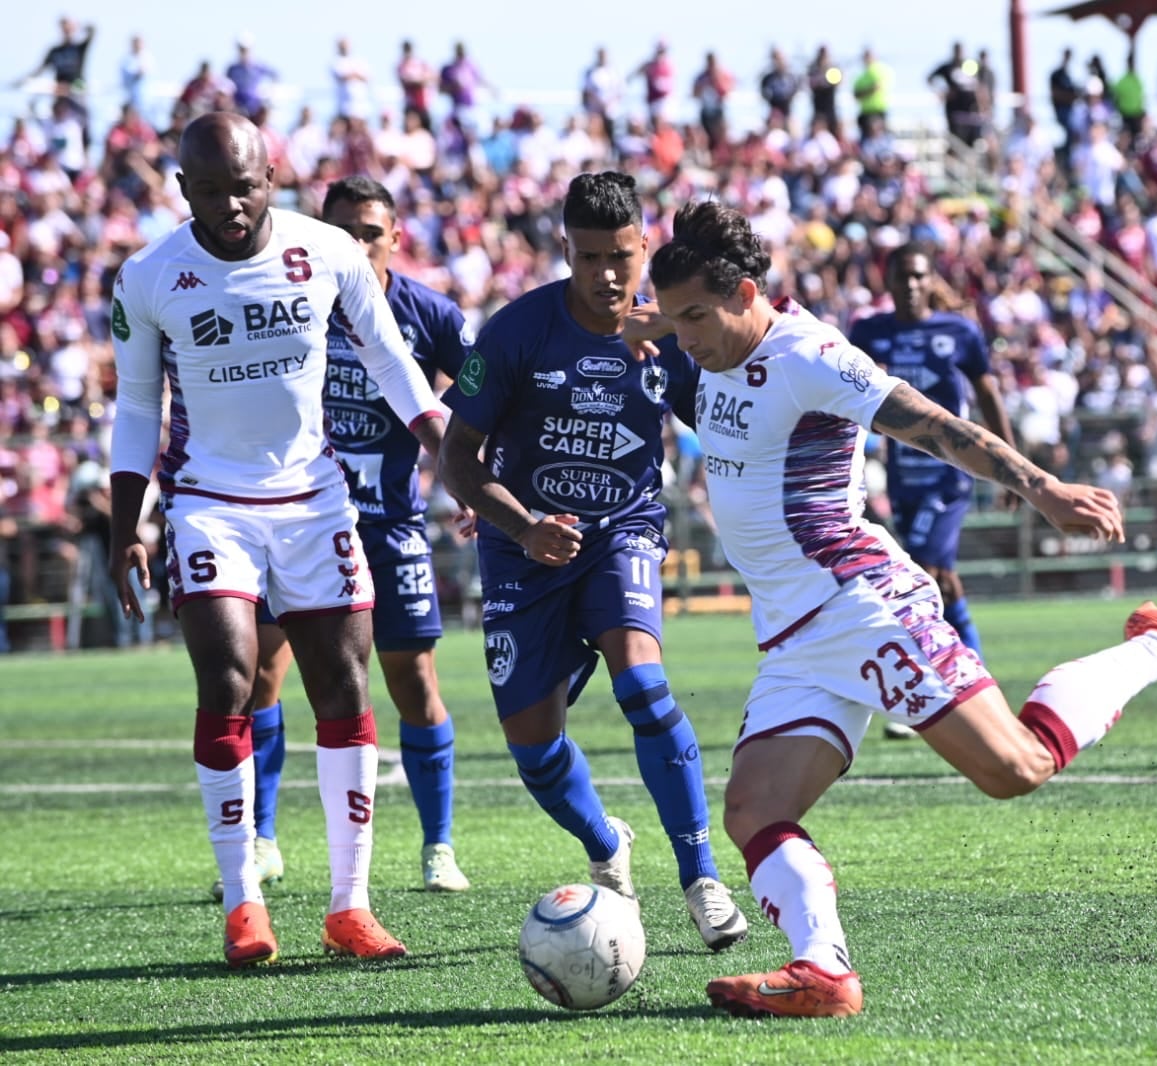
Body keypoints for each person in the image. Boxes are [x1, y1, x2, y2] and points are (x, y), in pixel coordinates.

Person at [635, 200, 1157, 1018]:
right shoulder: (711, 342)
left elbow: (933, 426)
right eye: (672, 320)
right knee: (754, 809)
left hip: (859, 604)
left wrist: (1042, 489)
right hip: (794, 633)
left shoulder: (810, 355)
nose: (682, 337)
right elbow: (649, 322)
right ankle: (823, 971)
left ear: (745, 292)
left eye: (693, 317)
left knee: (1014, 769)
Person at [108, 112, 447, 967]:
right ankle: (242, 901)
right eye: (212, 190)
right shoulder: (149, 275)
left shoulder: (326, 249)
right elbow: (137, 408)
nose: (232, 204)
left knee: (342, 685)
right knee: (228, 677)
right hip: (208, 502)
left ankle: (349, 907)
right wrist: (127, 529)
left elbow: (388, 354)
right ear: (184, 189)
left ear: (274, 178)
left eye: (247, 185)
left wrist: (441, 435)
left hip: (313, 500)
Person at [437, 171, 749, 952]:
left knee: (643, 684)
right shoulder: (515, 333)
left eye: (622, 256)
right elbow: (458, 458)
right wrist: (522, 523)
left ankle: (702, 878)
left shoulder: (670, 340)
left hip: (622, 531)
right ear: (564, 251)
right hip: (525, 551)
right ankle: (608, 847)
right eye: (588, 258)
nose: (608, 276)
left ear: (645, 246)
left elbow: (739, 412)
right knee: (535, 751)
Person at [210, 175, 474, 904]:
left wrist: (481, 478)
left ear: (394, 238)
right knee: (263, 669)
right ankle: (262, 841)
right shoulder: (293, 302)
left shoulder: (429, 314)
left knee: (411, 680)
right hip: (293, 516)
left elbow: (484, 389)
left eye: (370, 233)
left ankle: (437, 846)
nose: (356, 246)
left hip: (389, 525)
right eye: (343, 232)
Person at [848, 242, 1016, 738]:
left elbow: (987, 393)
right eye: (902, 276)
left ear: (930, 279)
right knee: (939, 577)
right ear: (889, 281)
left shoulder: (957, 332)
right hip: (903, 473)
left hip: (950, 474)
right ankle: (971, 683)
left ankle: (937, 694)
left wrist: (1008, 465)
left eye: (920, 276)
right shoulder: (869, 332)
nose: (911, 285)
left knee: (924, 570)